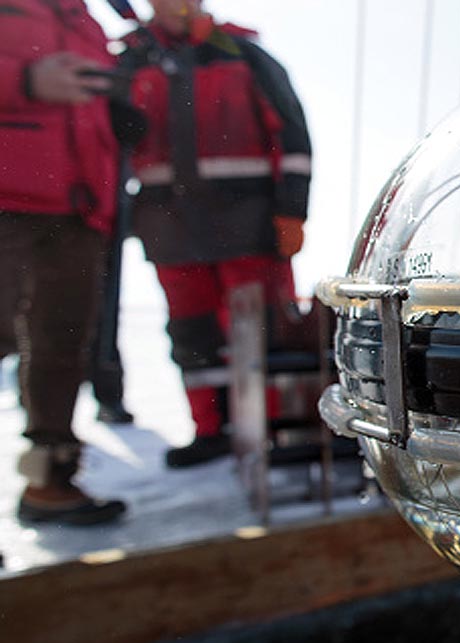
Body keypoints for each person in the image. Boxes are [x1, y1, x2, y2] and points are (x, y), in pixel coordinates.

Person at [119, 0, 312, 467]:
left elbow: (292, 136)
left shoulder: (243, 54)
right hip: (169, 227)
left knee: (261, 329)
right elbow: (107, 140)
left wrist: (292, 211)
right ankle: (212, 431)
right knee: (192, 333)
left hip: (248, 222)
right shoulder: (130, 62)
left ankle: (274, 428)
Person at [0, 0, 128, 525]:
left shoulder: (87, 21)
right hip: (8, 202)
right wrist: (25, 80)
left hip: (77, 210)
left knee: (61, 347)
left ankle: (49, 482)